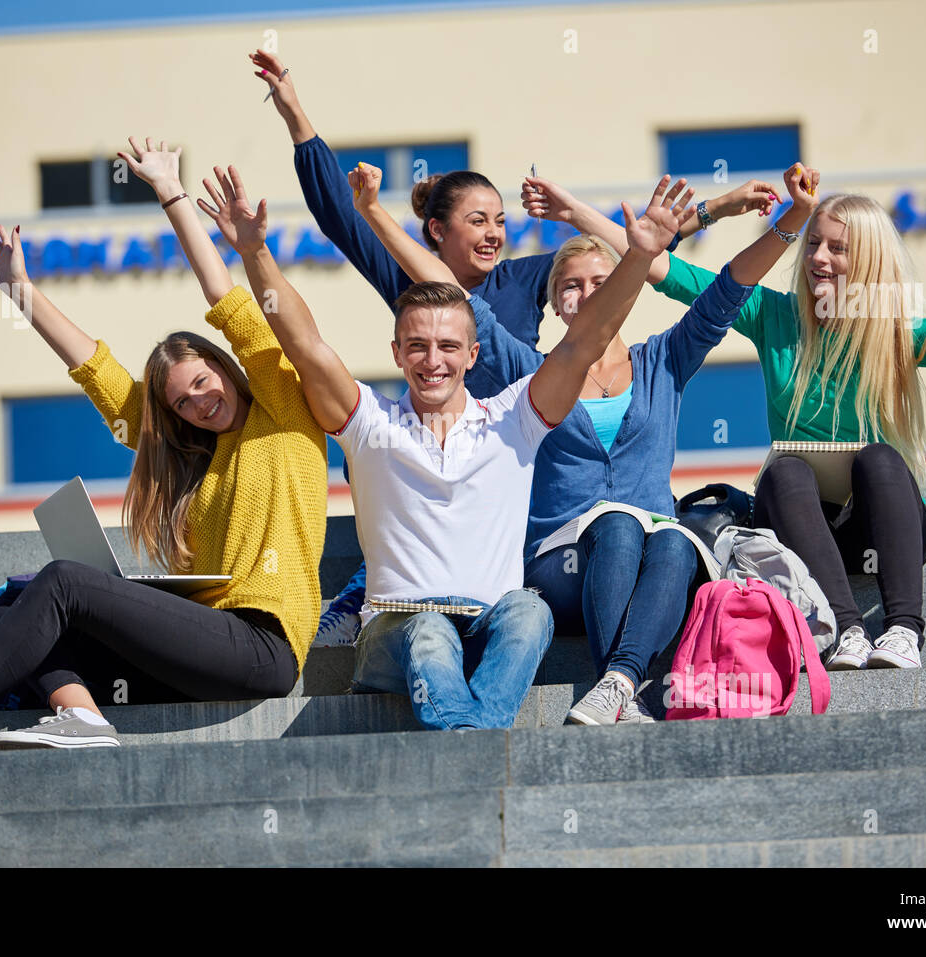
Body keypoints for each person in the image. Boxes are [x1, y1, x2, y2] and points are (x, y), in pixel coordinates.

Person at [0, 139, 328, 759]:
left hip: (262, 646)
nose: (198, 404)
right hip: (204, 647)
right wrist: (22, 291)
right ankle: (82, 720)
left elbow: (230, 304)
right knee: (14, 613)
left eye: (202, 383)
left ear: (225, 366)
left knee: (62, 583)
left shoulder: (286, 411)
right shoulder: (199, 457)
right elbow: (102, 375)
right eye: (181, 403)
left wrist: (171, 194)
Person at [249, 48, 777, 646]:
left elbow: (627, 255)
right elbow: (338, 212)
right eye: (477, 222)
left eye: (499, 220)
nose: (494, 233)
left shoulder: (528, 278)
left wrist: (722, 207)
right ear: (436, 233)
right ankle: (364, 591)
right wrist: (295, 112)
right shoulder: (410, 280)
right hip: (429, 458)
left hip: (513, 455)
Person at [203, 161, 692, 729]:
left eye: (447, 347)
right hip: (396, 631)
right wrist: (254, 253)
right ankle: (475, 741)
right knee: (431, 628)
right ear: (396, 353)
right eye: (417, 346)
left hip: (489, 626)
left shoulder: (513, 419)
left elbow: (582, 342)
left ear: (473, 355)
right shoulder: (371, 425)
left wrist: (638, 258)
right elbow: (306, 345)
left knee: (530, 609)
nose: (432, 361)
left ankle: (466, 739)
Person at [352, 161, 791, 724]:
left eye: (600, 284)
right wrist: (373, 215)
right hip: (559, 567)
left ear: (625, 290)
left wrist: (790, 222)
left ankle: (617, 683)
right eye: (571, 287)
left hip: (651, 570)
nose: (585, 295)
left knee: (677, 541)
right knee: (617, 522)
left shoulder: (661, 361)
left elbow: (729, 291)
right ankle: (620, 680)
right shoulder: (532, 376)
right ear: (556, 305)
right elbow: (455, 299)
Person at [635, 166, 926, 670]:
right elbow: (654, 265)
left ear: (866, 259)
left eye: (837, 249)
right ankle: (847, 631)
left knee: (881, 458)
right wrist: (711, 211)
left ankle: (904, 630)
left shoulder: (891, 325)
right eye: (813, 243)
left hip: (880, 530)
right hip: (799, 531)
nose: (818, 257)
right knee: (785, 469)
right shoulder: (771, 314)